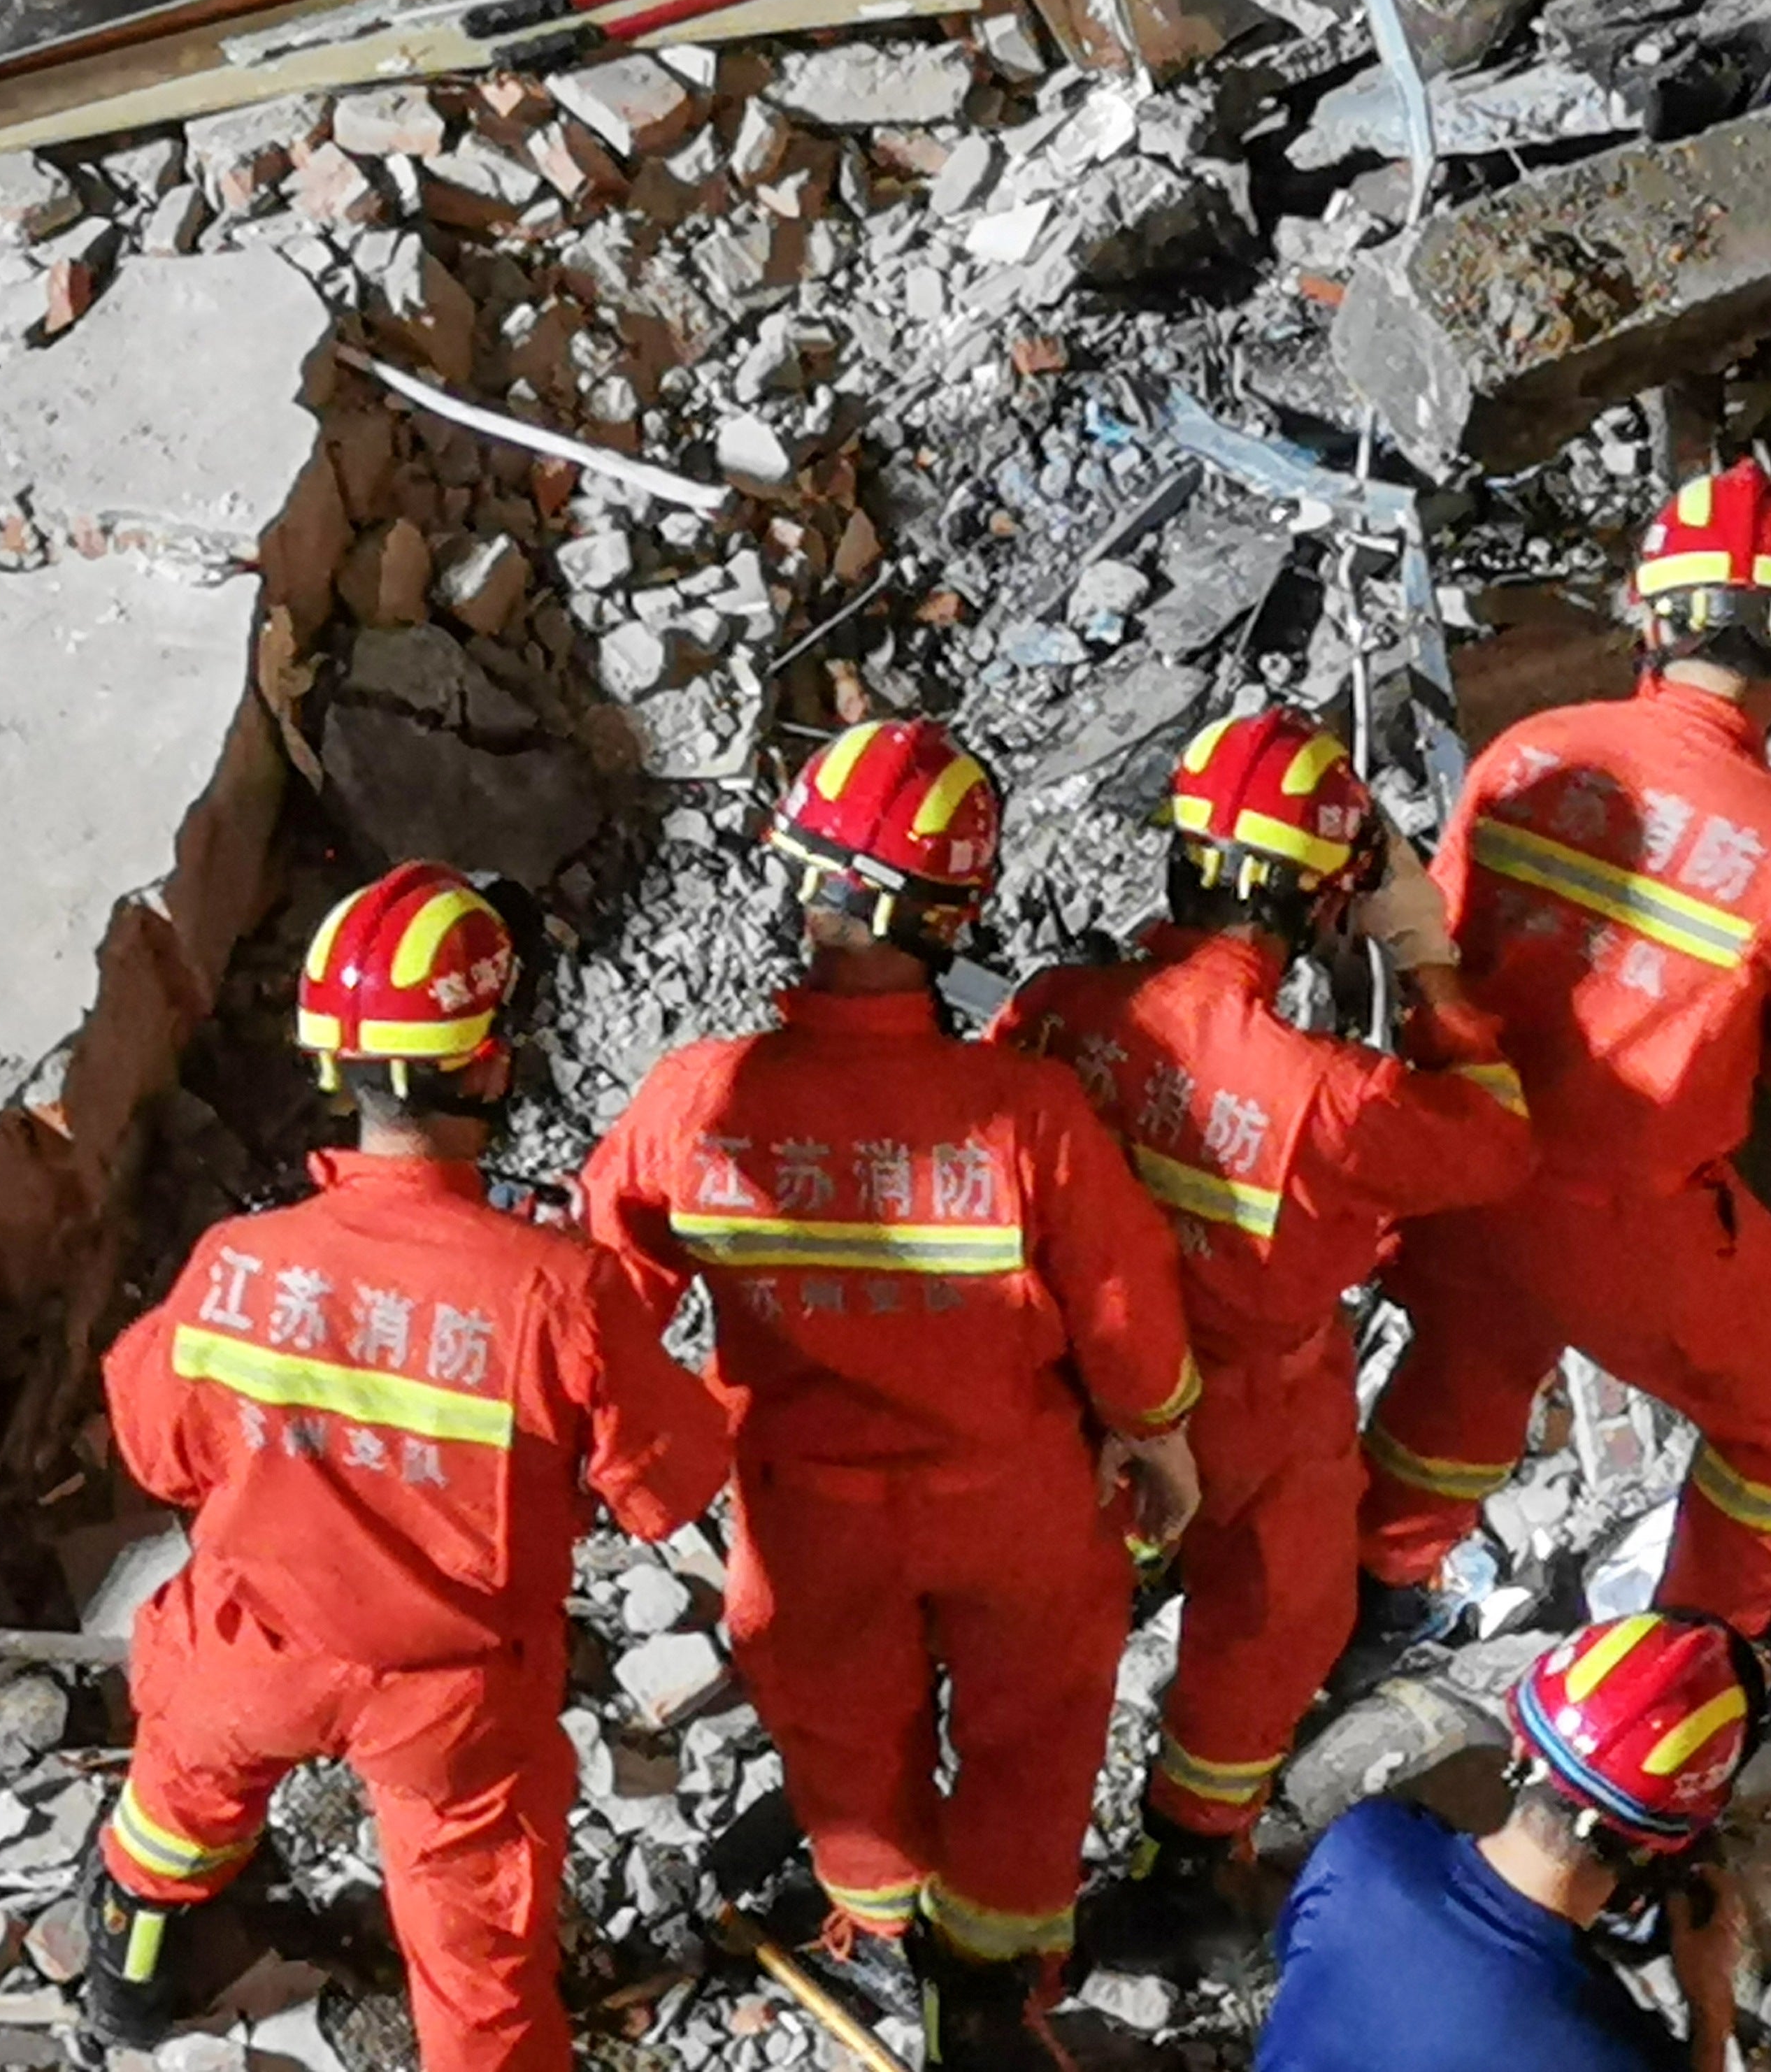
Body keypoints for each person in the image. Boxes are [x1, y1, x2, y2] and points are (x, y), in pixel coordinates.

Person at [578, 719, 1203, 2069]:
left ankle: (880, 1920)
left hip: (806, 1515)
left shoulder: (695, 1102)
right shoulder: (1024, 1112)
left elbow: (598, 1304)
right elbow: (1125, 1317)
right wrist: (1161, 1443)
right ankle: (984, 1986)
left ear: (802, 884)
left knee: (843, 1733)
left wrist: (646, 1469)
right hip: (1016, 1501)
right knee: (1033, 1737)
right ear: (955, 916)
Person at [83, 862, 731, 2072]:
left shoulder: (236, 1263)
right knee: (478, 1962)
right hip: (450, 1697)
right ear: (490, 1065)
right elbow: (672, 1488)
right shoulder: (558, 1291)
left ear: (333, 1065)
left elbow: (157, 1444)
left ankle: (124, 1989)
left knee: (175, 1806)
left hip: (250, 1649)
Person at [1350, 458, 1771, 1684]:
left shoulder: (1530, 752)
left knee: (1463, 1366)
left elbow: (1433, 950)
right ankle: (1699, 1670)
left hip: (1457, 1164)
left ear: (1651, 617)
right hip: (1627, 1218)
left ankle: (1371, 1601)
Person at [990, 707, 1535, 1961]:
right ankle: (1185, 1861)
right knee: (1273, 1620)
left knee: (1040, 1633)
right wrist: (1430, 967)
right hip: (1255, 1409)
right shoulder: (1332, 1095)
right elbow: (1497, 1145)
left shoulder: (1059, 1009)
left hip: (1067, 1393)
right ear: (1321, 904)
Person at [1261, 1613, 1762, 2072]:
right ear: (1665, 1843)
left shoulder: (1366, 1847)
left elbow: (1301, 1960)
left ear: (1522, 1745)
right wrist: (1709, 2005)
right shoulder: (1613, 2049)